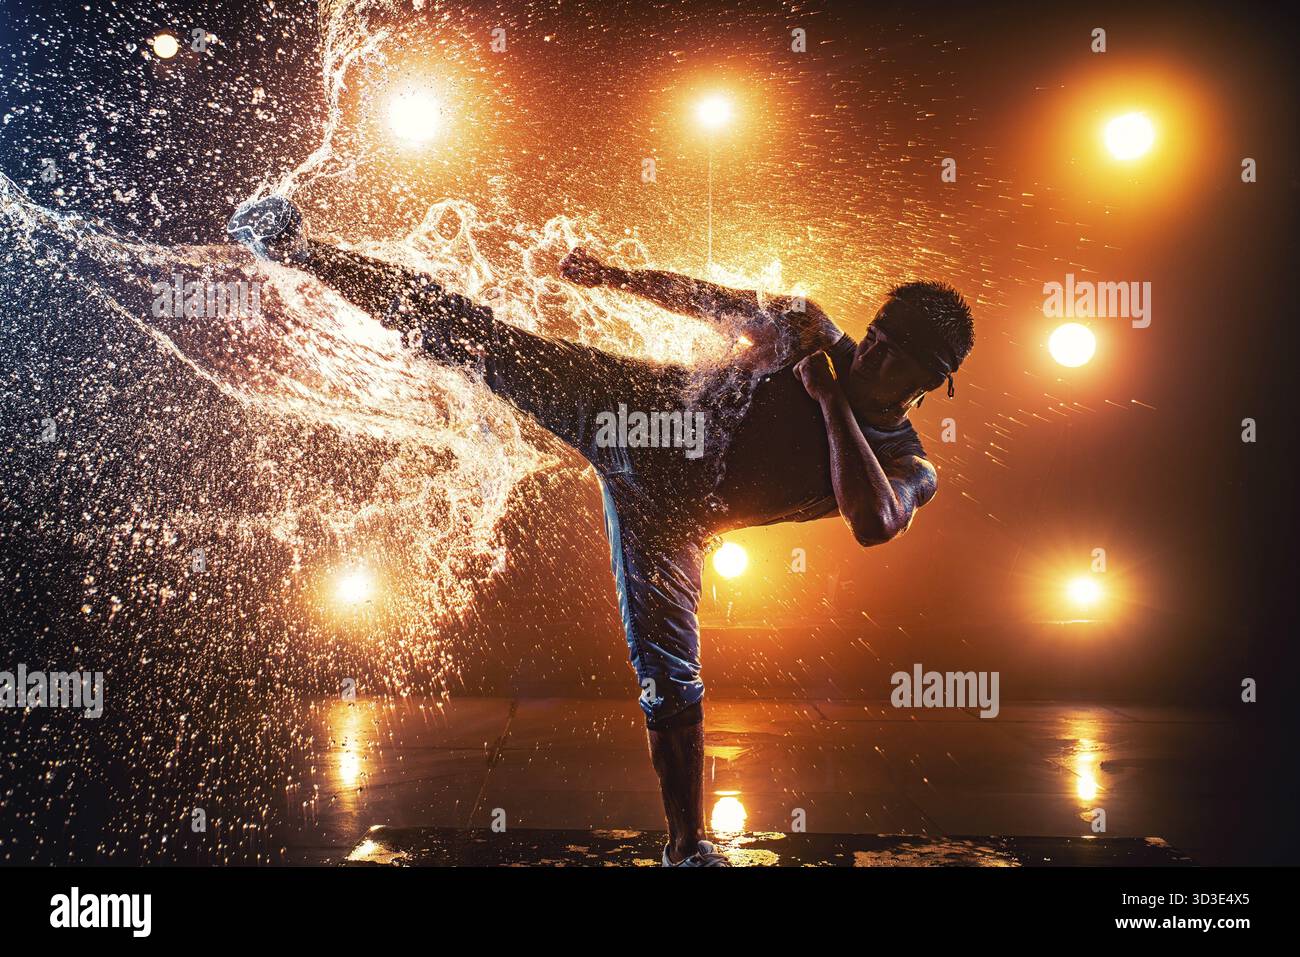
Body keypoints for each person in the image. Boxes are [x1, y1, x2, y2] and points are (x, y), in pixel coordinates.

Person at [227, 196, 975, 866]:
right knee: (471, 333)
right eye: (874, 334)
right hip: (628, 408)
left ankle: (685, 846)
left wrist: (830, 402)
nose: (870, 355)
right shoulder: (811, 330)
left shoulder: (907, 464)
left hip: (670, 520)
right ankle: (299, 250)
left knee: (671, 678)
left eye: (893, 357)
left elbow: (874, 523)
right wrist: (608, 274)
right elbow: (707, 300)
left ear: (927, 383)